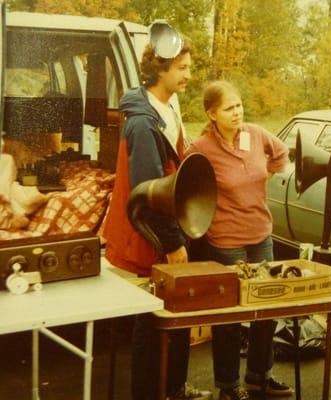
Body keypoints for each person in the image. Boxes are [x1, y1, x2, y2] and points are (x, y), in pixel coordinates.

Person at [102, 25, 212, 400]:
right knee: (152, 323)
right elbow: (150, 193)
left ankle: (174, 389)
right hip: (151, 238)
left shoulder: (163, 108)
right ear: (159, 70)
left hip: (165, 233)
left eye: (188, 66)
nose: (188, 74)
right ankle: (152, 393)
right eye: (181, 67)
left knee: (174, 315)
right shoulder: (143, 121)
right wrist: (171, 244)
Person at [185, 80, 292, 400]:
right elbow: (187, 184)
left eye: (240, 105)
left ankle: (260, 377)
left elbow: (281, 152)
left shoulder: (255, 134)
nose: (237, 112)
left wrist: (263, 181)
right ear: (212, 113)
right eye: (229, 108)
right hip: (226, 241)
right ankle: (229, 386)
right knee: (230, 318)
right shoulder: (202, 147)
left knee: (266, 311)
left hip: (261, 234)